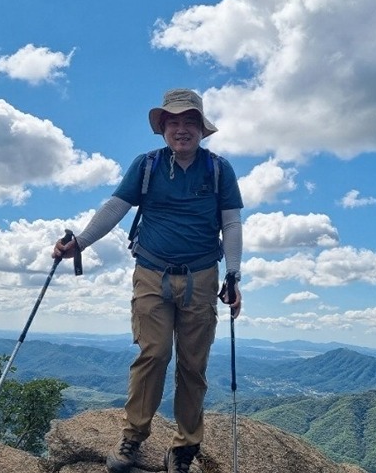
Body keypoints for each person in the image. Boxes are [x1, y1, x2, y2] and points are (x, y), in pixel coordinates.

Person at [52, 88, 243, 473]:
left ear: (201, 130)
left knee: (193, 365)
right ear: (163, 128)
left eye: (190, 122)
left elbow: (231, 223)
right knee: (153, 354)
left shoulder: (219, 169)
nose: (182, 129)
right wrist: (80, 243)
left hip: (203, 276)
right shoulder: (147, 166)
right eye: (174, 122)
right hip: (152, 273)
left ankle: (184, 447)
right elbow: (115, 208)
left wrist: (234, 276)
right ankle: (133, 437)